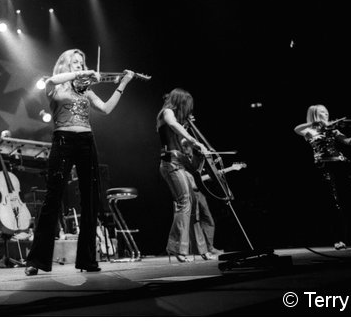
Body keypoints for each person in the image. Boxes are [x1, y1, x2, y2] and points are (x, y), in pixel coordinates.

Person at [24, 49, 134, 275]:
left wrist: (122, 84)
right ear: (65, 64)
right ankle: (36, 260)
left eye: (82, 63)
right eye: (75, 62)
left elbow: (105, 109)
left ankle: (87, 259)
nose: (80, 66)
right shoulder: (54, 86)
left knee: (91, 199)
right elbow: (52, 80)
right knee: (52, 198)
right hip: (63, 140)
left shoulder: (86, 90)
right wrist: (80, 74)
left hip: (86, 141)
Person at [294, 104, 351, 249]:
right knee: (333, 203)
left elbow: (350, 142)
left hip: (340, 165)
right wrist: (317, 123)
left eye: (326, 112)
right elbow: (296, 129)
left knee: (349, 200)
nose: (326, 114)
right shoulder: (309, 130)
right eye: (322, 112)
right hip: (323, 167)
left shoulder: (333, 130)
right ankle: (339, 239)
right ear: (314, 115)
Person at [156, 88, 217, 262]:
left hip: (179, 163)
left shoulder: (178, 121)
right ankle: (177, 248)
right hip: (171, 163)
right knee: (184, 202)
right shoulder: (167, 112)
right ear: (180, 102)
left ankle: (202, 250)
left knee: (193, 205)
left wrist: (196, 145)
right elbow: (173, 125)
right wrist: (194, 140)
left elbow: (180, 139)